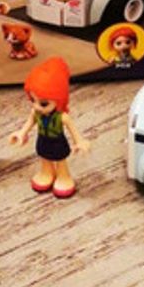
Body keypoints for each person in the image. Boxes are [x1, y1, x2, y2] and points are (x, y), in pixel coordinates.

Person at [9, 57, 91, 198]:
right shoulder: (36, 113)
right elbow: (29, 123)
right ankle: (46, 172)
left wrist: (79, 141)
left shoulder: (62, 117)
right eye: (33, 100)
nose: (37, 106)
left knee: (60, 160)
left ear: (59, 100)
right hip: (42, 140)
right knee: (44, 157)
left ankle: (63, 176)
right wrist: (21, 133)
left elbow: (73, 131)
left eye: (43, 103)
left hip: (58, 142)